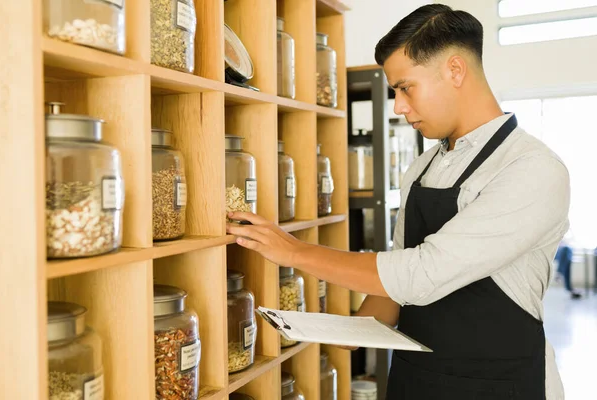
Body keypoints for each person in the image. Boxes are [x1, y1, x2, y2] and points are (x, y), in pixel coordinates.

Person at [226, 4, 569, 399]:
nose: (399, 107)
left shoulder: (532, 168)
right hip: (416, 380)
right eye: (393, 92)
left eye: (406, 88)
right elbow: (398, 271)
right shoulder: (423, 167)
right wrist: (351, 330)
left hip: (497, 385)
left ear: (455, 71)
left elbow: (420, 274)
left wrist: (294, 252)